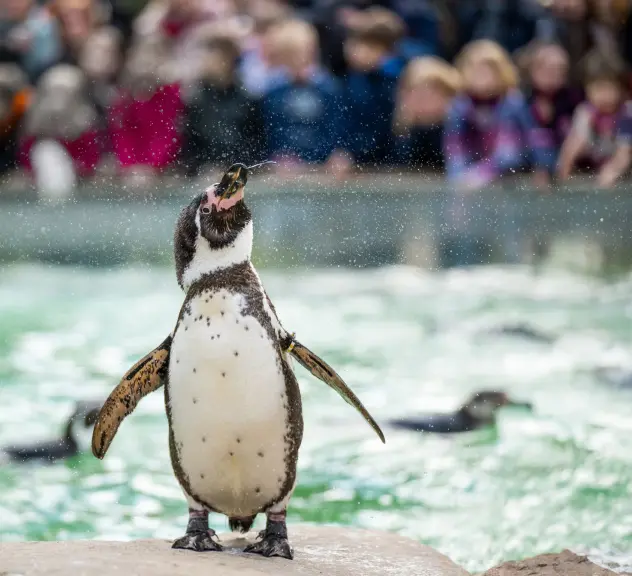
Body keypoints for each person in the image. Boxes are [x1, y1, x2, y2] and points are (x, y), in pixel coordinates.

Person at [444, 40, 556, 191]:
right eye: (477, 70)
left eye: (488, 71)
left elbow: (515, 150)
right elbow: (454, 150)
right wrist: (460, 178)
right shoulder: (459, 107)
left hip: (511, 178)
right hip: (471, 179)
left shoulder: (512, 102)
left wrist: (543, 166)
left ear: (501, 72)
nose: (482, 76)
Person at [259, 18, 344, 173]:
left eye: (299, 53)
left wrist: (337, 153)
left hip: (323, 166)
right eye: (288, 56)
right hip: (285, 169)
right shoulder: (274, 90)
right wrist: (277, 157)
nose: (296, 60)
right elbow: (273, 130)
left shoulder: (328, 88)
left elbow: (336, 126)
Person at [107, 36, 184, 186]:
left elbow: (168, 134)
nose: (147, 63)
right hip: (131, 172)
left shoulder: (171, 93)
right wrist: (129, 166)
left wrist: (153, 166)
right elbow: (121, 135)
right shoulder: (123, 95)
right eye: (142, 57)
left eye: (154, 57)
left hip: (162, 170)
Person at [183, 34, 264, 176]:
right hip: (205, 172)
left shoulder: (248, 98)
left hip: (242, 171)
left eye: (216, 56)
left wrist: (240, 168)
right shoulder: (196, 99)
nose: (208, 62)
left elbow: (256, 142)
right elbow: (191, 144)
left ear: (229, 61)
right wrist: (201, 168)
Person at [557, 51, 632, 188]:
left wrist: (610, 173)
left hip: (622, 173)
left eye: (610, 89)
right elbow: (573, 145)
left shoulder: (627, 113)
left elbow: (624, 154)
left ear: (621, 89)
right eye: (598, 89)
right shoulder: (585, 112)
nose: (604, 96)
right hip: (596, 167)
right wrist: (563, 176)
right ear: (587, 89)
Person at [342, 7, 406, 168]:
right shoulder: (356, 77)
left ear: (383, 49)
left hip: (389, 164)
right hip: (359, 163)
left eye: (361, 45)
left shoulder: (398, 80)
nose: (352, 51)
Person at [520, 40, 580, 178]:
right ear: (532, 69)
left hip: (564, 172)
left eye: (561, 70)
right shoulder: (519, 100)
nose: (555, 75)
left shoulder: (573, 100)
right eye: (548, 69)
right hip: (525, 173)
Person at [392, 56, 461, 171]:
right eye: (418, 95)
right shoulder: (394, 130)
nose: (426, 101)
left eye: (433, 94)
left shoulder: (462, 127)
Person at [0, 0, 63, 82]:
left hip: (41, 75)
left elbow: (48, 60)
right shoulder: (4, 21)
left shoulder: (43, 21)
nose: (13, 4)